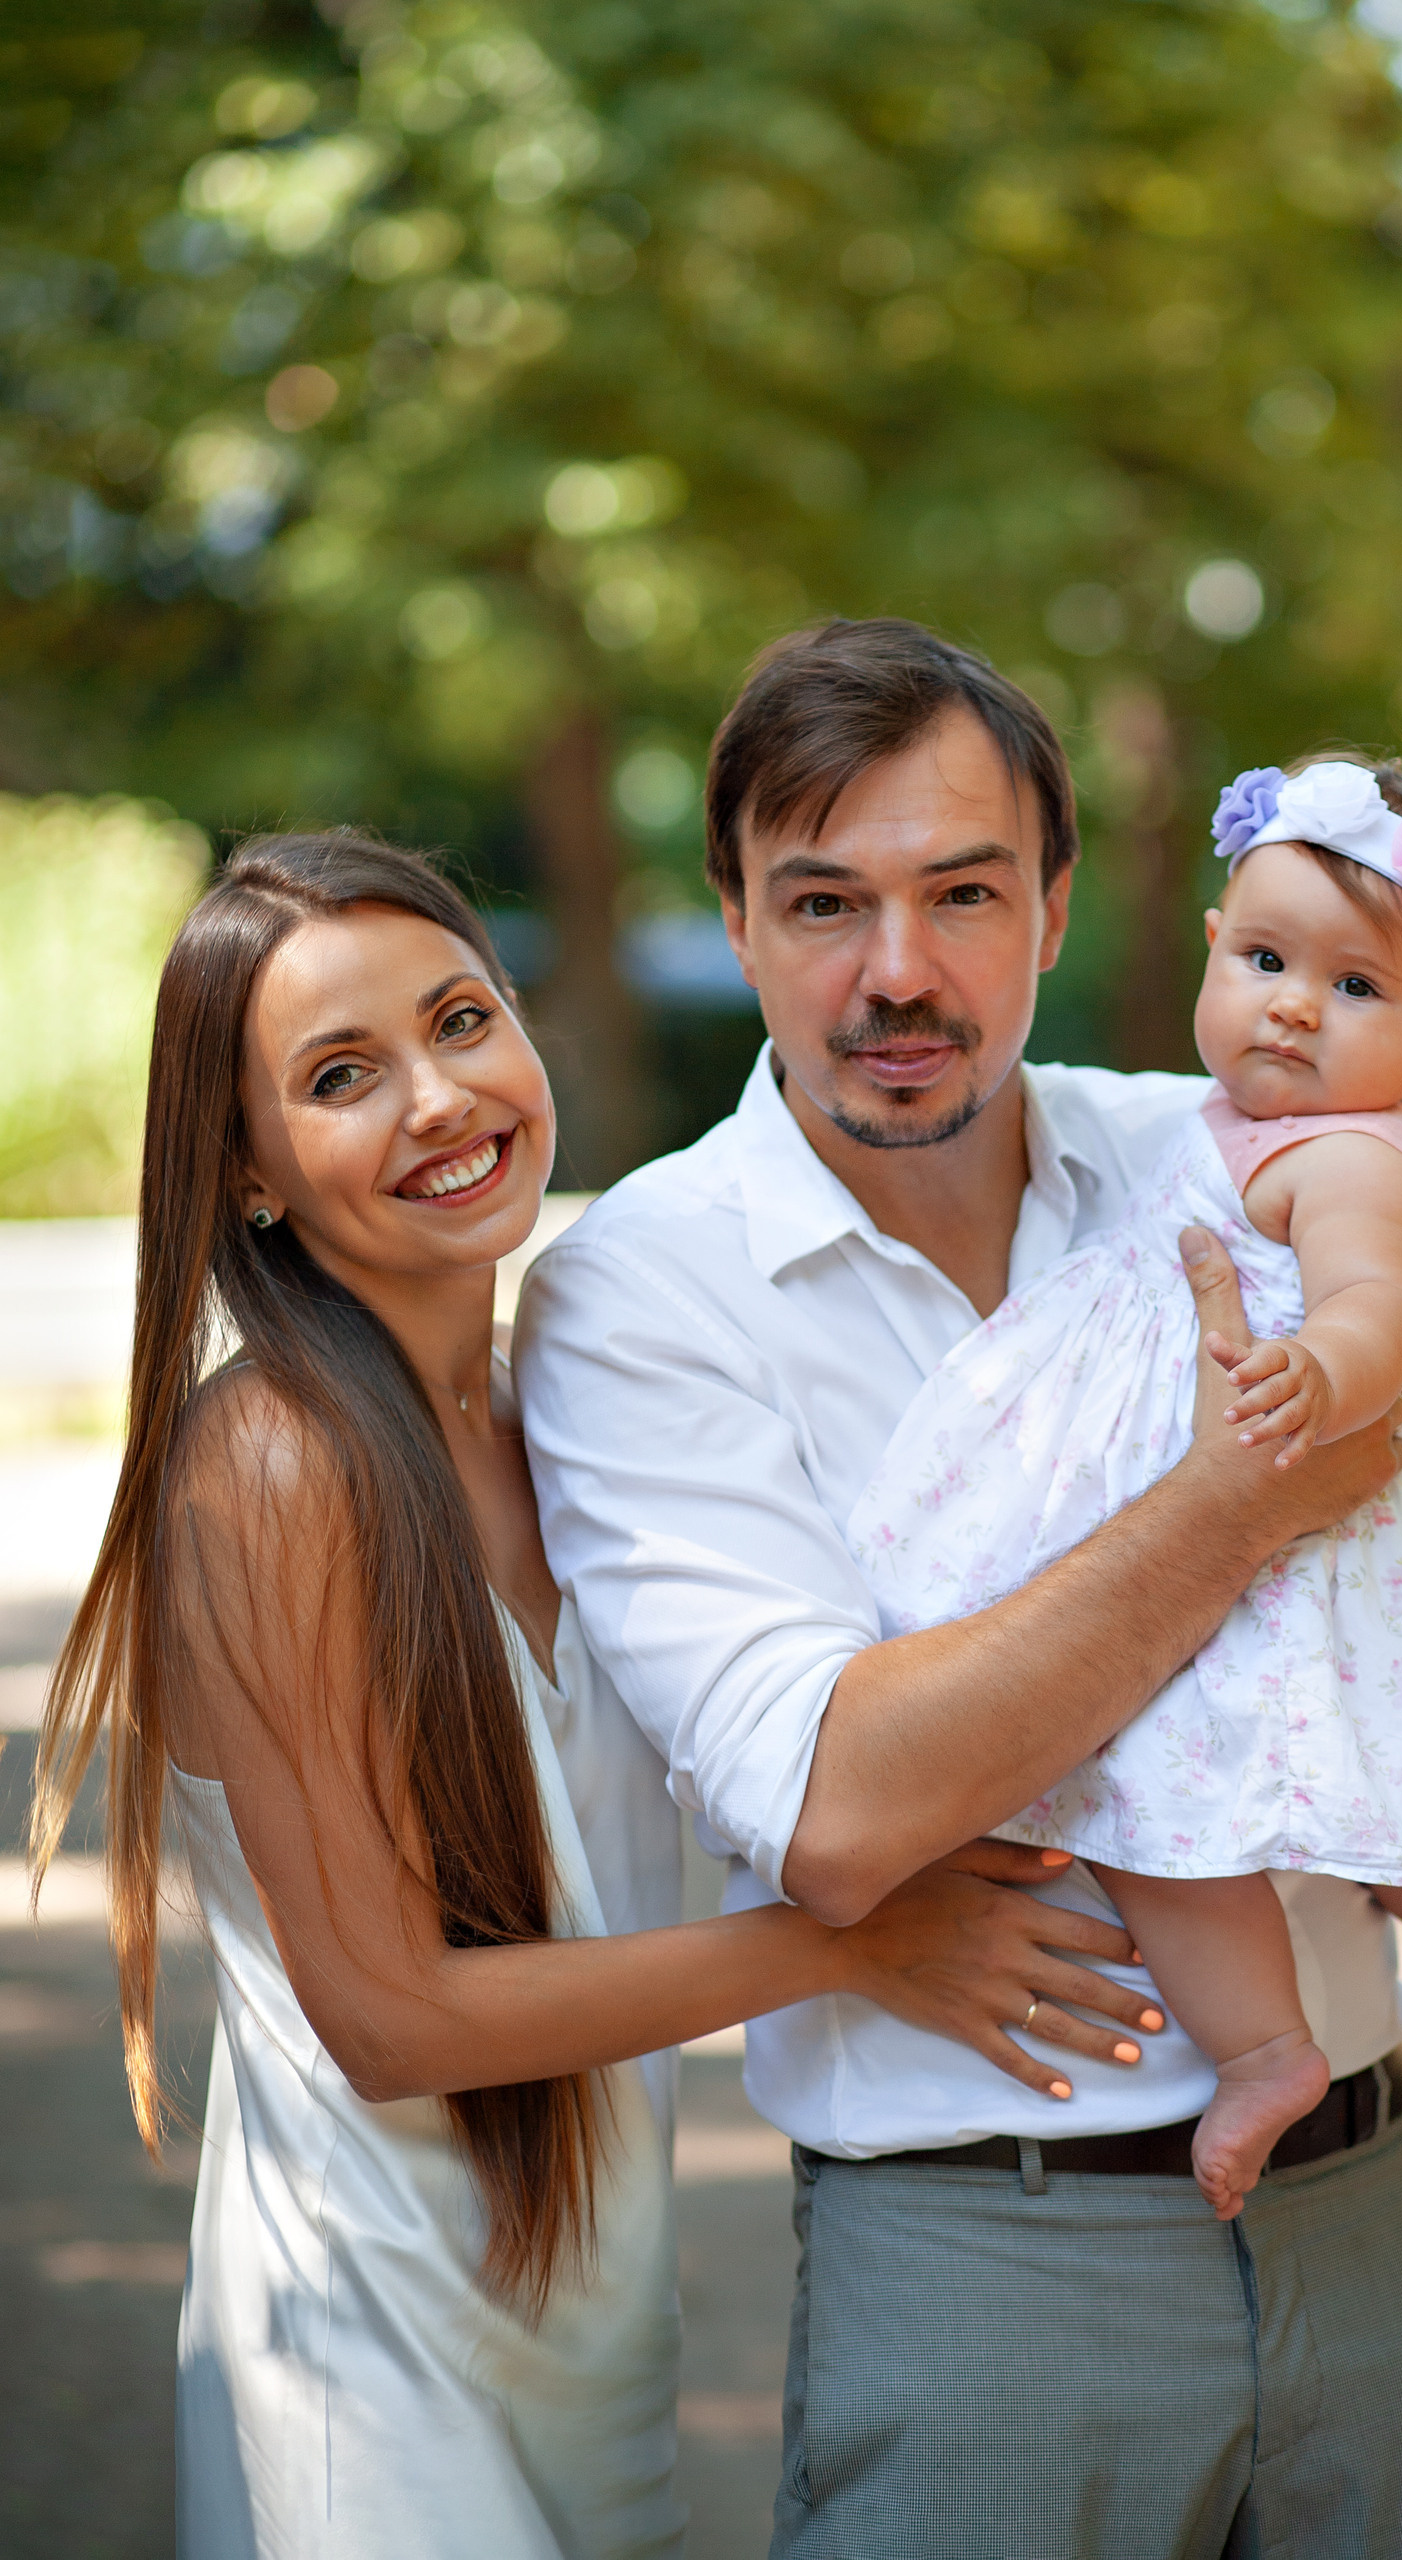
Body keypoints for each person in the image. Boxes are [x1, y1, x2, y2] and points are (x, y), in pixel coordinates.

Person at [516, 619, 1402, 2556]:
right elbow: (841, 1808)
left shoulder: (1205, 1139)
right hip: (990, 2249)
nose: (894, 971)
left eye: (960, 892)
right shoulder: (639, 1289)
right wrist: (1243, 1500)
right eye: (821, 899)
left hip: (1381, 2199)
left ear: (1054, 907)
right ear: (733, 918)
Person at [30, 830, 1161, 2560]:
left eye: (461, 1020)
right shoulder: (271, 1467)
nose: (437, 1097)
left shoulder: (564, 1395)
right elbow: (390, 2017)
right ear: (249, 1170)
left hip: (591, 2334)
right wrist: (845, 1945)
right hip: (366, 2357)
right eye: (342, 1076)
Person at [849, 748, 1402, 2219]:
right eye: (1263, 958)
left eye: (1356, 990)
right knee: (1373, 1760)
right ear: (1212, 945)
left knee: (1154, 1795)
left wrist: (1322, 1369)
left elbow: (1380, 1304)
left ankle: (1263, 2050)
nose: (1293, 1006)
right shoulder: (1224, 1123)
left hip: (1285, 1501)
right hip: (1264, 1499)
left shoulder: (1349, 1163)